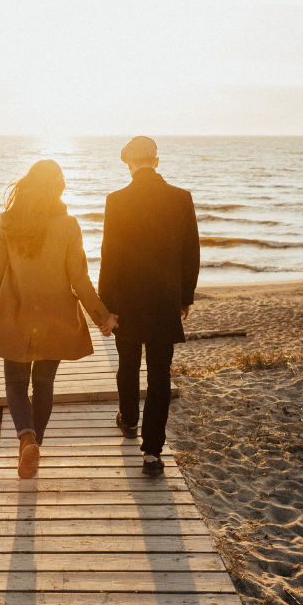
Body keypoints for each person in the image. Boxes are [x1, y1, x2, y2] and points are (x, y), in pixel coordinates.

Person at [0, 159, 116, 479]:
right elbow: (80, 280)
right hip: (57, 317)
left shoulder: (7, 222)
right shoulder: (69, 225)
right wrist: (102, 318)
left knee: (14, 383)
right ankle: (34, 442)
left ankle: (26, 439)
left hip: (15, 315)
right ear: (58, 189)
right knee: (44, 383)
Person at [98, 136, 200, 476]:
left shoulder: (116, 200)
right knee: (159, 376)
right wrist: (185, 297)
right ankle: (152, 452)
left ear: (129, 164)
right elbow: (191, 253)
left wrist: (106, 306)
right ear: (156, 161)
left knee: (127, 365)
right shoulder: (181, 198)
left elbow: (109, 257)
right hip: (164, 300)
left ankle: (128, 419)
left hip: (126, 301)